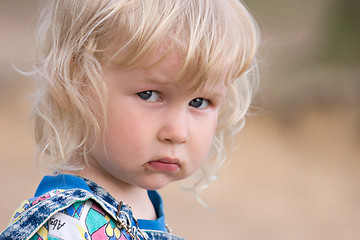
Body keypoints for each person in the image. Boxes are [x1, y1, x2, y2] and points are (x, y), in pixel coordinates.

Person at [0, 0, 259, 239]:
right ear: (77, 81)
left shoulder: (143, 208)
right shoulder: (67, 225)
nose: (178, 132)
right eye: (149, 95)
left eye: (199, 102)